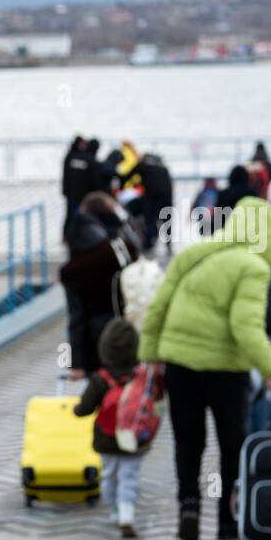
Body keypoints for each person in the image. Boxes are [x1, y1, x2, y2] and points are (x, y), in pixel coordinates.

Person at [139, 196, 271, 540]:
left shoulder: (195, 253)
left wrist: (149, 354)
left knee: (189, 442)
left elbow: (158, 306)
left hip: (179, 363)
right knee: (232, 445)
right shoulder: (252, 266)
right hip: (225, 370)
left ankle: (188, 506)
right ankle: (227, 520)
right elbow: (245, 326)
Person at [73, 320, 162, 539]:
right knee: (129, 476)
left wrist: (76, 409)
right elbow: (157, 399)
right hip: (133, 438)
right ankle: (127, 514)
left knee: (110, 475)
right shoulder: (141, 376)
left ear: (104, 348)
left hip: (106, 439)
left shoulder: (100, 379)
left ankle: (113, 510)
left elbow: (83, 409)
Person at [60, 191, 140, 377]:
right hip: (125, 334)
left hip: (92, 347)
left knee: (99, 397)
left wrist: (75, 363)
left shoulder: (71, 270)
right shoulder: (122, 249)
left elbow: (76, 319)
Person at [119, 151, 173, 253]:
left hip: (151, 197)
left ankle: (148, 246)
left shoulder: (144, 165)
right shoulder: (163, 168)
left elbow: (128, 176)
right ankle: (168, 245)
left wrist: (120, 185)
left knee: (150, 221)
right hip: (166, 198)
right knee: (166, 222)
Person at [61, 135, 94, 241]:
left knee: (75, 214)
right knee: (71, 214)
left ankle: (72, 234)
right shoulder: (71, 157)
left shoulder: (78, 157)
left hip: (78, 193)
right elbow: (66, 176)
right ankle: (67, 235)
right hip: (71, 193)